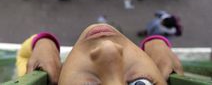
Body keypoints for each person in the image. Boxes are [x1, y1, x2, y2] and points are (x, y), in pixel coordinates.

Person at [16, 23, 183, 84]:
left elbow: (23, 56)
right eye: (140, 84)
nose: (108, 48)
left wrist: (45, 43)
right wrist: (156, 44)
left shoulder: (29, 75)